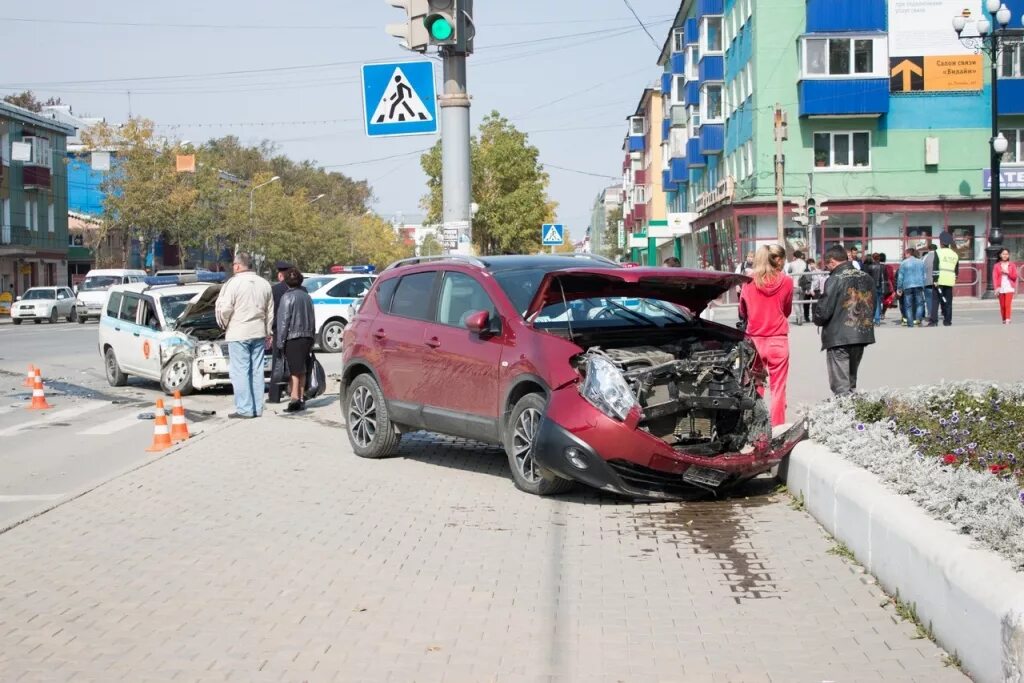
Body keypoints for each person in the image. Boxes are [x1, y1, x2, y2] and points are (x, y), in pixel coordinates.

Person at [738, 245, 793, 427]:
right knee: (778, 388)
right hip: (778, 339)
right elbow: (787, 310)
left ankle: (758, 426)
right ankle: (777, 426)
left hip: (755, 340)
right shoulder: (786, 281)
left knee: (755, 384)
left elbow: (742, 311)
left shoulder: (748, 282)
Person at [215, 252, 274, 419]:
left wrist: (224, 324)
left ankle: (245, 409)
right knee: (257, 370)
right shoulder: (264, 284)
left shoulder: (232, 284)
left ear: (238, 266)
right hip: (258, 332)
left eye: (234, 264)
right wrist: (268, 332)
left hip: (238, 332)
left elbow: (225, 309)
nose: (233, 267)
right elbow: (270, 312)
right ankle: (257, 408)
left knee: (240, 371)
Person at [813, 245, 876, 396]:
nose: (827, 268)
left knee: (840, 386)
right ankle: (853, 412)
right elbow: (873, 304)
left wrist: (817, 318)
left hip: (839, 337)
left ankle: (844, 414)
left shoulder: (835, 278)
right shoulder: (866, 277)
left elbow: (824, 310)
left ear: (833, 261)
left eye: (827, 265)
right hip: (861, 334)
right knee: (851, 381)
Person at [275, 268, 316, 412]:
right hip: (306, 337)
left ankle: (294, 400)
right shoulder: (307, 297)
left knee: (294, 370)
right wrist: (312, 337)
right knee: (302, 369)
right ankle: (302, 398)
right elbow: (312, 318)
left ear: (286, 282)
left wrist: (280, 341)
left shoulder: (287, 297)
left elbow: (283, 321)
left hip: (292, 338)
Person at [268, 261, 293, 404]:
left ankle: (275, 395)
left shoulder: (275, 290)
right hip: (295, 331)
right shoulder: (301, 289)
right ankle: (293, 392)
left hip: (278, 330)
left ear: (280, 275)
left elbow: (271, 311)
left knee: (278, 362)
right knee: (294, 363)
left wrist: (270, 330)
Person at [896, 248, 927, 327]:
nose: (905, 255)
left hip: (907, 285)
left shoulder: (904, 263)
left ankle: (910, 323)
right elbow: (924, 275)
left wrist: (899, 288)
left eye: (905, 254)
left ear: (908, 254)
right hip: (919, 285)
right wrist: (923, 285)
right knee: (920, 304)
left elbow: (900, 277)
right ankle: (917, 320)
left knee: (908, 305)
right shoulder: (921, 262)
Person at [936, 232, 960, 326]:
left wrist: (935, 279)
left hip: (940, 279)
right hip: (950, 280)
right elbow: (956, 269)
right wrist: (955, 278)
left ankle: (936, 319)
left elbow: (935, 266)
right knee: (948, 302)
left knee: (939, 300)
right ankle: (948, 321)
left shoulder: (938, 252)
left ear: (941, 243)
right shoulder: (954, 254)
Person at [994, 248, 1018, 324]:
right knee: (1002, 305)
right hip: (1000, 286)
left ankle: (1008, 319)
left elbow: (1015, 277)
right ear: (1000, 255)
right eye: (1003, 254)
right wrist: (996, 288)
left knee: (1007, 304)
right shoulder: (997, 265)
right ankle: (1004, 319)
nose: (1005, 255)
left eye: (1007, 254)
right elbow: (995, 277)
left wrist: (1007, 272)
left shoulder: (1012, 265)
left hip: (1009, 286)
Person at [862, 254, 885, 325]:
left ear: (873, 258)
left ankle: (872, 318)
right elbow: (883, 278)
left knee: (870, 303)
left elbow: (867, 278)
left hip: (871, 287)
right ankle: (877, 320)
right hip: (879, 286)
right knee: (878, 302)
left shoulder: (869, 267)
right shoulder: (882, 267)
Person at [921, 244, 940, 327]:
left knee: (929, 300)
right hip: (938, 281)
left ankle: (930, 314)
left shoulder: (925, 257)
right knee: (937, 300)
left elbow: (921, 268)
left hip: (927, 281)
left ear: (928, 249)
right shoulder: (939, 256)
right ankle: (936, 314)